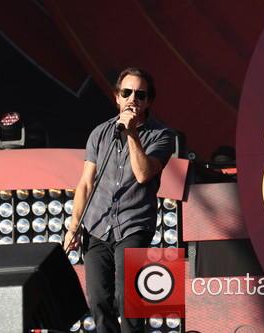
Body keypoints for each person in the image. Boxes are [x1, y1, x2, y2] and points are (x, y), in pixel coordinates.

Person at [64, 67, 175, 333]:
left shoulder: (161, 135)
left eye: (140, 95)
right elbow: (86, 183)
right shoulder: (99, 134)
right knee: (99, 300)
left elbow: (144, 174)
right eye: (126, 93)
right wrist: (74, 225)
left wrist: (132, 133)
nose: (132, 100)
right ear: (117, 97)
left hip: (134, 225)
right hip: (97, 226)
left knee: (129, 301)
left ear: (148, 101)